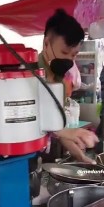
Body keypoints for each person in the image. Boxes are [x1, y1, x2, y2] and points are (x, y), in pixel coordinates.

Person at [38, 9, 98, 163]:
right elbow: (31, 118)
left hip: (45, 150)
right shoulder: (28, 74)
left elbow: (57, 125)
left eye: (74, 55)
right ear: (46, 44)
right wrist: (69, 132)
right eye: (64, 52)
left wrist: (80, 156)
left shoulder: (60, 78)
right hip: (24, 156)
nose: (69, 60)